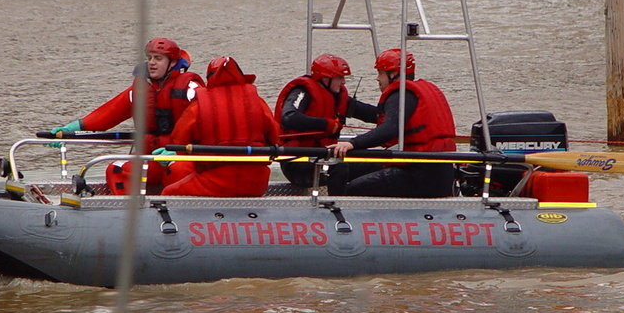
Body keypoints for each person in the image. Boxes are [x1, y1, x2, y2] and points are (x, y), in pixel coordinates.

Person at [48, 37, 204, 194]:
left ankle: (177, 209)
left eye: (158, 58)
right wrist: (71, 129)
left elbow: (207, 122)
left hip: (183, 157)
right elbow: (108, 113)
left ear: (172, 63)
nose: (151, 62)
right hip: (151, 157)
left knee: (176, 169)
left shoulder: (191, 89)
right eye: (149, 58)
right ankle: (130, 211)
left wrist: (179, 152)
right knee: (116, 169)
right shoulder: (139, 90)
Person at [328, 48, 457, 198]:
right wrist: (349, 105)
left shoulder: (401, 94)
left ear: (393, 74)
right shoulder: (412, 93)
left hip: (420, 175)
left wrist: (352, 144)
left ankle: (336, 215)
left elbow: (389, 128)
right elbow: (380, 116)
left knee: (352, 189)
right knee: (348, 168)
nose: (377, 79)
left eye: (380, 73)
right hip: (438, 172)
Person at [153, 56, 280, 197]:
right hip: (256, 184)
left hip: (215, 181)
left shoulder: (199, 106)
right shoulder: (258, 102)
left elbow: (179, 144)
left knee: (168, 193)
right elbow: (275, 138)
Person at [273, 53, 378, 188]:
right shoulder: (302, 92)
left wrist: (394, 116)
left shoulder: (337, 96)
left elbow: (369, 113)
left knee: (376, 164)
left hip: (323, 157)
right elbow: (289, 117)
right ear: (325, 78)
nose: (344, 82)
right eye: (340, 78)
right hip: (298, 163)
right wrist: (326, 124)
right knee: (340, 169)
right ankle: (335, 204)